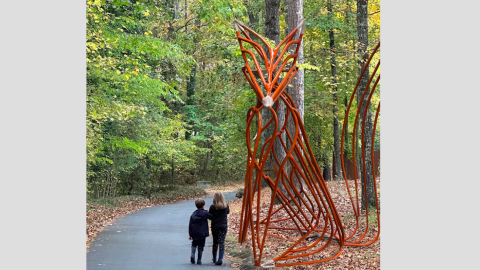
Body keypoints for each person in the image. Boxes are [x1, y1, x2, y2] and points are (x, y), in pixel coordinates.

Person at [209, 192, 230, 265]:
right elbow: (228, 212)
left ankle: (214, 258)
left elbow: (210, 215)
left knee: (215, 242)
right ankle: (220, 258)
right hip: (223, 226)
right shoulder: (226, 206)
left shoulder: (212, 207)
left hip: (215, 226)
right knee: (222, 242)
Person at [189, 198, 212, 265]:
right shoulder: (205, 213)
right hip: (202, 232)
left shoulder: (193, 214)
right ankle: (199, 260)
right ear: (203, 205)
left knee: (194, 243)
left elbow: (190, 224)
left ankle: (192, 255)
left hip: (194, 232)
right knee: (201, 245)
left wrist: (190, 234)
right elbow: (211, 217)